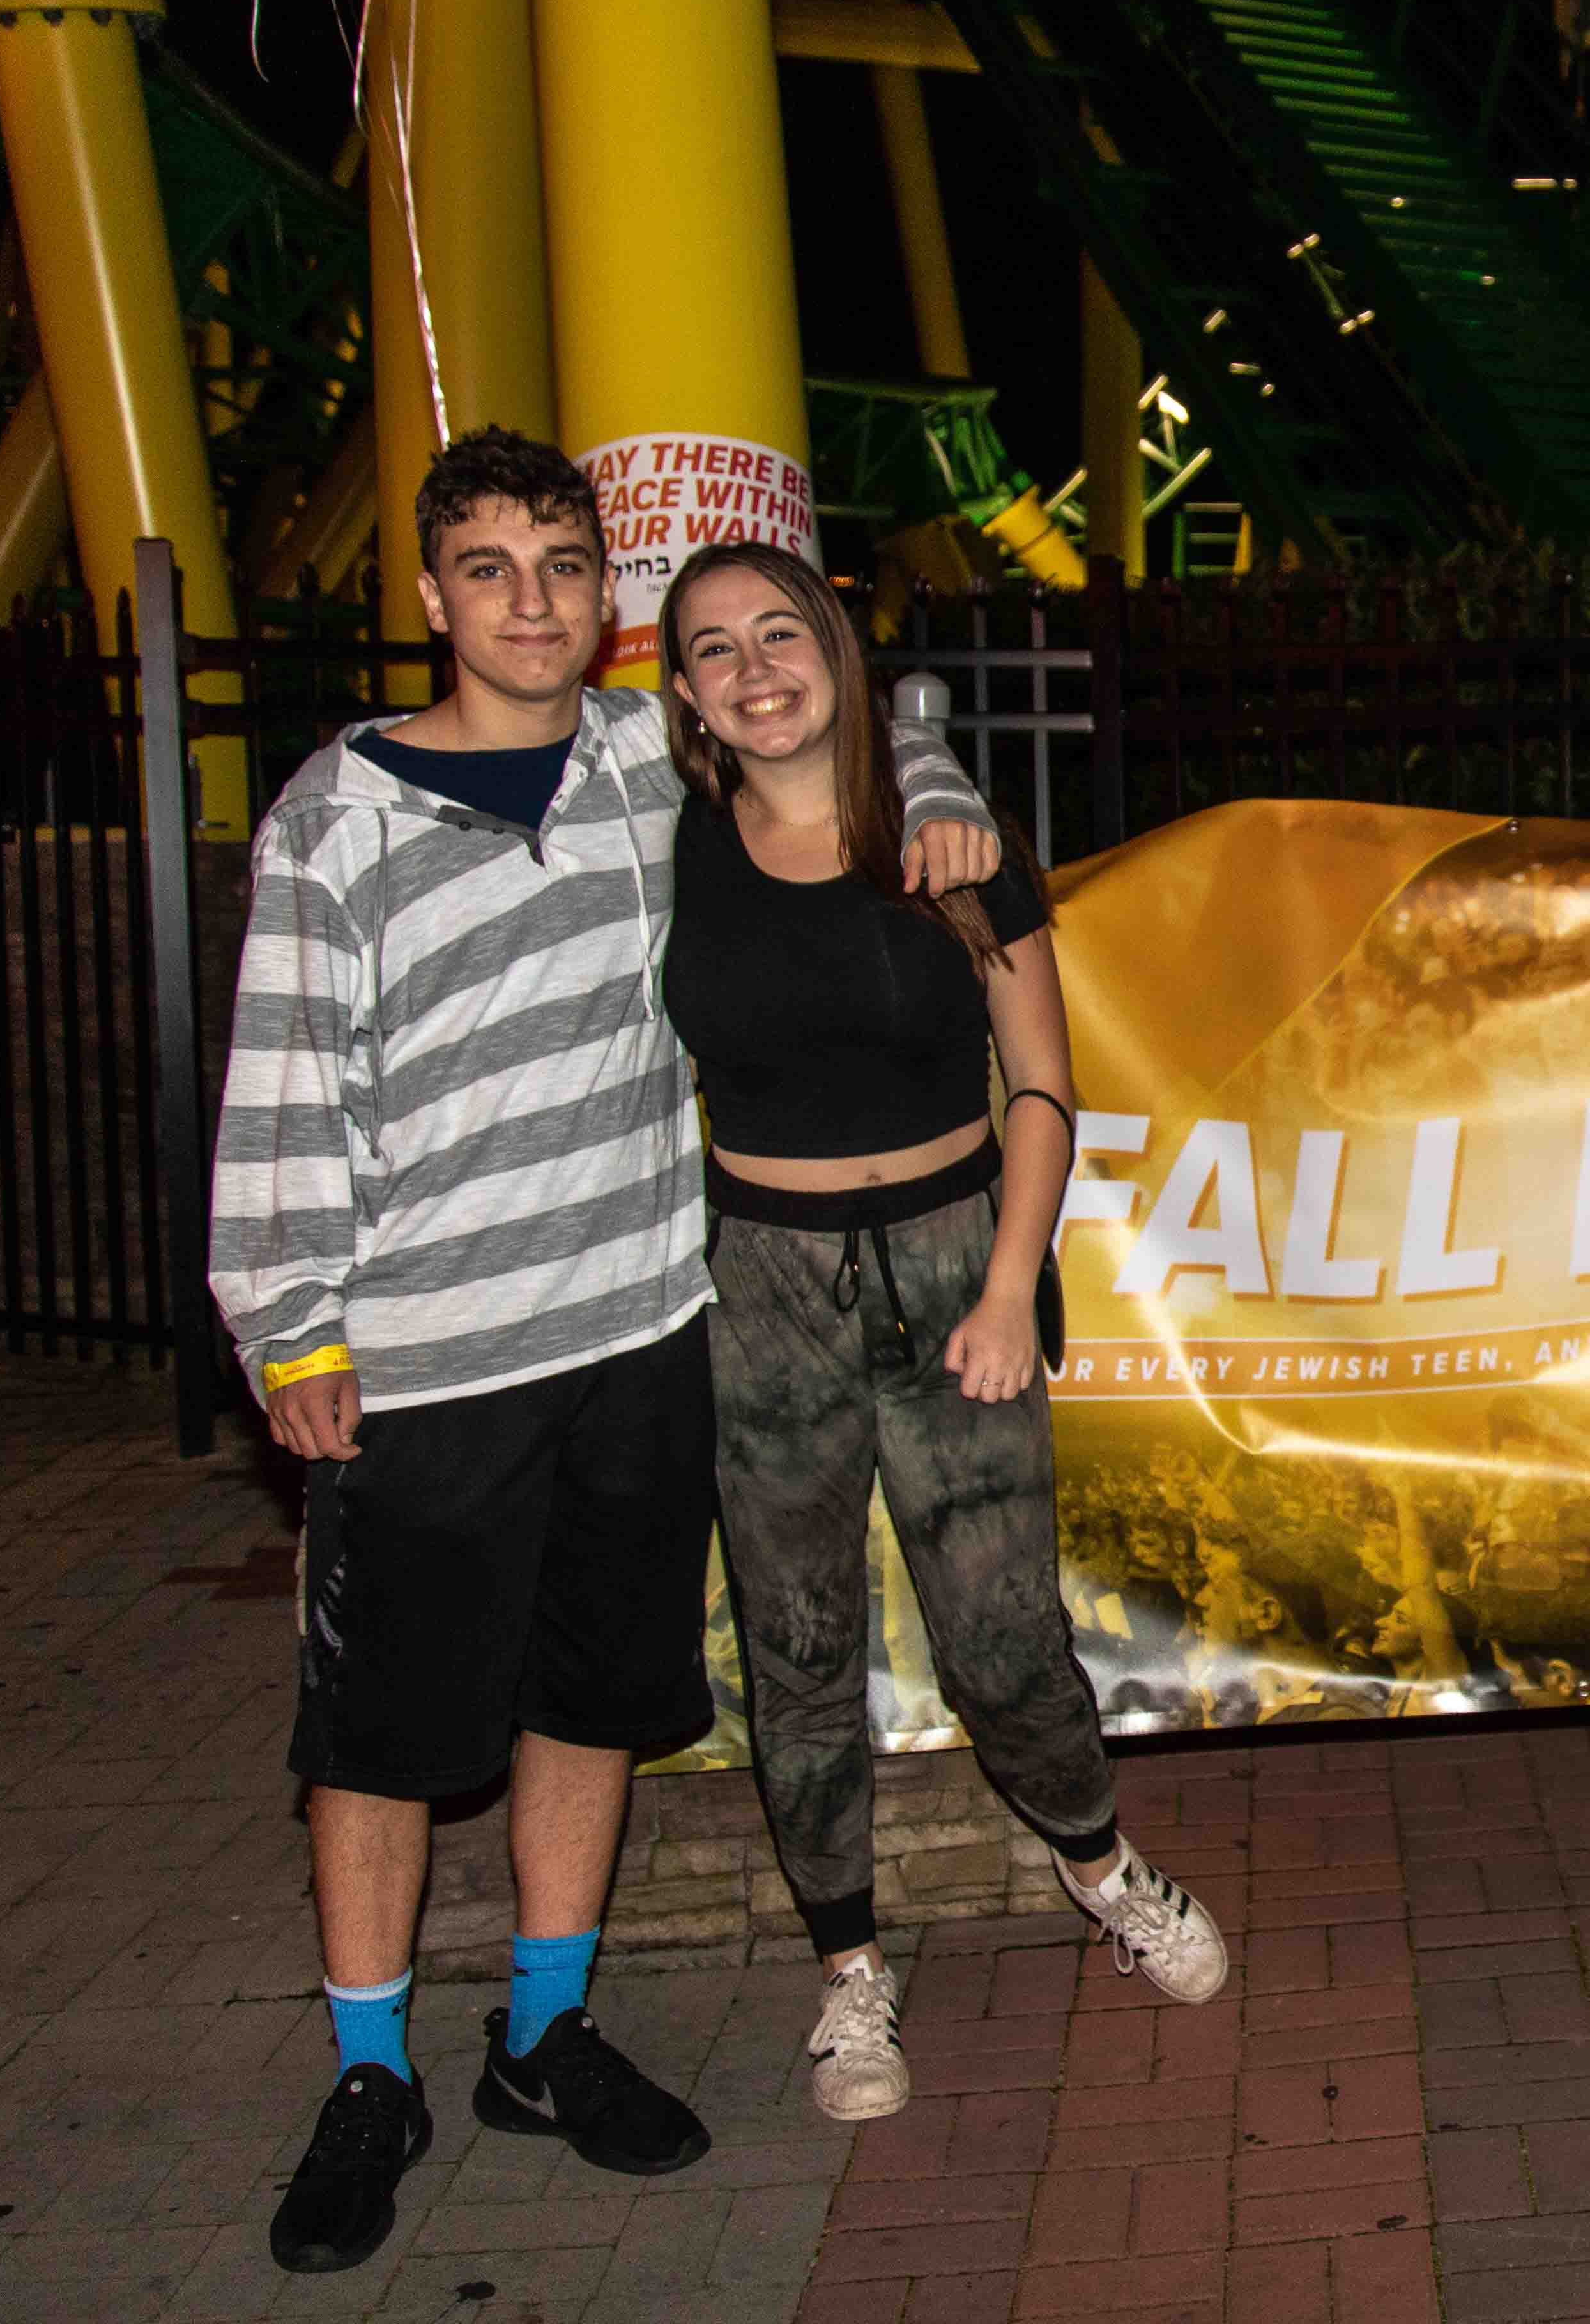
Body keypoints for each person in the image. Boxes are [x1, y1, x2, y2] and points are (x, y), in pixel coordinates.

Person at [209, 430, 1004, 2274]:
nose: (534, 602)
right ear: (430, 596)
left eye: (566, 566)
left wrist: (942, 772)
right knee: (384, 1737)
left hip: (642, 1329)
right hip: (423, 1360)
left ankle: (543, 2035)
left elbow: (844, 739)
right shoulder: (338, 814)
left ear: (604, 594)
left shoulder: (652, 761)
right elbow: (284, 1077)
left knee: (587, 1700)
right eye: (491, 569)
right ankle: (369, 2074)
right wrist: (290, 1320)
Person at [655, 541, 1228, 2124]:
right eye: (716, 648)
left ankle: (1102, 1866)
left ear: (836, 649)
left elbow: (1043, 1082)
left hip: (954, 1257)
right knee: (799, 1641)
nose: (756, 669)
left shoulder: (953, 843)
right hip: (761, 1283)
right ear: (686, 693)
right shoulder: (668, 844)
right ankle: (848, 1968)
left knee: (1000, 1629)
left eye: (782, 632)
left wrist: (1005, 1287)